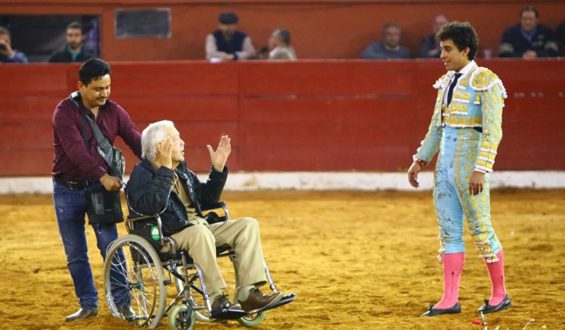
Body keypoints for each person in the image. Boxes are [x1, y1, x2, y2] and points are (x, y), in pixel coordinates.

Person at [126, 120, 285, 317]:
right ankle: (217, 298)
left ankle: (247, 293)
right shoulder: (141, 175)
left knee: (248, 225)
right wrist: (166, 172)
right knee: (200, 233)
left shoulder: (182, 171)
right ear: (161, 146)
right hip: (167, 236)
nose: (183, 142)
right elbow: (152, 206)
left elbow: (206, 199)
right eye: (176, 139)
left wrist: (217, 169)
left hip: (198, 228)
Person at [407, 22, 511, 317]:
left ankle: (499, 294)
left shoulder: (486, 80)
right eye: (442, 48)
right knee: (449, 232)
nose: (442, 54)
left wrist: (482, 168)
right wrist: (421, 160)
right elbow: (436, 129)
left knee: (481, 229)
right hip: (444, 172)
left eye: (448, 49)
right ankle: (449, 299)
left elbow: (493, 132)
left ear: (465, 50)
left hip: (470, 171)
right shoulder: (445, 83)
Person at [52, 58, 141, 322]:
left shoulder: (115, 112)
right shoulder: (64, 112)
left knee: (110, 245)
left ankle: (124, 304)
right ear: (81, 86)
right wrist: (102, 176)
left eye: (107, 87)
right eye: (98, 89)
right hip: (67, 189)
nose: (104, 94)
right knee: (75, 251)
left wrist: (155, 162)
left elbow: (135, 139)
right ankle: (88, 304)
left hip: (100, 189)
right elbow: (75, 152)